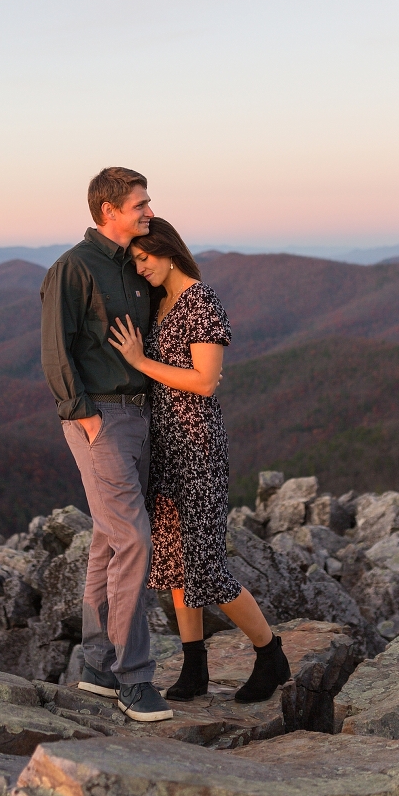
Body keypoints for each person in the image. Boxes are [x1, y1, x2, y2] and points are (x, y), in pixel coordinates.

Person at [108, 217, 291, 703]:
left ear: (168, 250)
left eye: (145, 259)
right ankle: (195, 670)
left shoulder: (200, 301)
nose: (141, 269)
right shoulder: (159, 303)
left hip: (197, 447)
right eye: (136, 262)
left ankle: (271, 654)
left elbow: (206, 381)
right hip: (163, 448)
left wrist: (140, 361)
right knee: (171, 563)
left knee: (206, 568)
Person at [40, 167, 173, 723]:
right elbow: (55, 348)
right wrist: (84, 416)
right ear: (108, 210)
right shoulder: (73, 267)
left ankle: (97, 667)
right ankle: (133, 679)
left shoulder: (137, 263)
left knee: (107, 540)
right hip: (100, 418)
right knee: (135, 539)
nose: (149, 210)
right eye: (139, 204)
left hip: (141, 416)